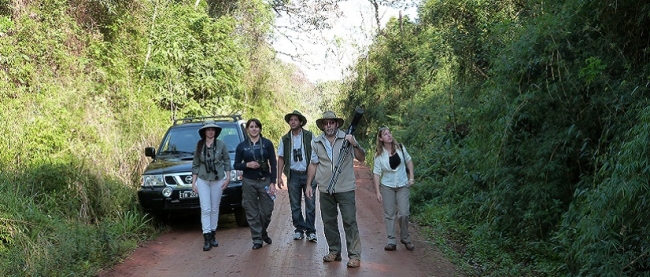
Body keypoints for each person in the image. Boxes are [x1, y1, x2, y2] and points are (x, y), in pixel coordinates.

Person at [306, 111, 365, 268]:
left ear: (337, 124)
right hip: (325, 189)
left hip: (345, 188)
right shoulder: (317, 142)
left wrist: (355, 143)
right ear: (323, 126)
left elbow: (361, 157)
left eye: (331, 122)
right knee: (328, 222)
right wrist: (308, 185)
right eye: (326, 123)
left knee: (349, 221)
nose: (329, 125)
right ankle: (334, 251)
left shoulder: (347, 137)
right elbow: (313, 164)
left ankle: (354, 255)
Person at [233, 118, 278, 250]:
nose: (254, 129)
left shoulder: (267, 144)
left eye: (256, 126)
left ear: (260, 128)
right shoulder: (242, 146)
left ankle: (262, 231)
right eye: (251, 127)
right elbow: (236, 164)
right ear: (247, 129)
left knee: (267, 210)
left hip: (265, 180)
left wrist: (273, 182)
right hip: (249, 181)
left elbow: (273, 164)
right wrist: (247, 165)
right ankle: (257, 239)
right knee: (251, 211)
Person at [372, 126, 415, 251]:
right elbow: (376, 173)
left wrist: (411, 177)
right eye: (385, 134)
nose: (389, 135)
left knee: (404, 213)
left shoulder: (400, 148)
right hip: (387, 186)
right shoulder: (379, 155)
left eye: (389, 133)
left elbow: (409, 161)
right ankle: (391, 241)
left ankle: (405, 237)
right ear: (381, 138)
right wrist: (378, 191)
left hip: (403, 185)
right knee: (389, 214)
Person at [277, 110, 317, 242]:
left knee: (310, 203)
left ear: (300, 122)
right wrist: (279, 176)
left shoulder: (309, 136)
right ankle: (299, 229)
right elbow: (281, 158)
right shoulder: (285, 139)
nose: (293, 122)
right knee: (295, 204)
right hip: (293, 175)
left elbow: (317, 155)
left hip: (308, 174)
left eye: (295, 119)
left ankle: (311, 231)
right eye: (291, 120)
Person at [191, 120, 231, 251]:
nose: (210, 131)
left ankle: (213, 234)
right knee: (205, 209)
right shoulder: (199, 146)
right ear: (204, 131)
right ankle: (206, 237)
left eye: (213, 129)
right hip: (202, 179)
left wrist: (228, 177)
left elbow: (226, 160)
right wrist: (194, 182)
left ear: (216, 131)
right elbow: (196, 164)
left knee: (214, 208)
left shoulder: (221, 145)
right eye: (208, 129)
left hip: (218, 179)